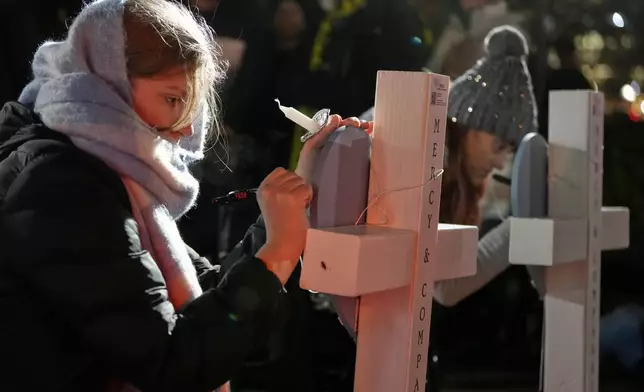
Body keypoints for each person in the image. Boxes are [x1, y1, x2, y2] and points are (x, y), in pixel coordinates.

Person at [0, 1, 369, 391]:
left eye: (190, 104)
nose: (185, 129)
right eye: (173, 99)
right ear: (108, 82)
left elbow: (205, 293)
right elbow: (173, 361)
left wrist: (294, 202)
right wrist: (275, 254)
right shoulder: (60, 185)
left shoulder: (93, 163)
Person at [361, 25, 538, 306]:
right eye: (500, 146)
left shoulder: (458, 172)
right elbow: (445, 286)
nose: (501, 162)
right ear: (471, 126)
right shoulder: (414, 145)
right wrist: (520, 231)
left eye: (511, 151)